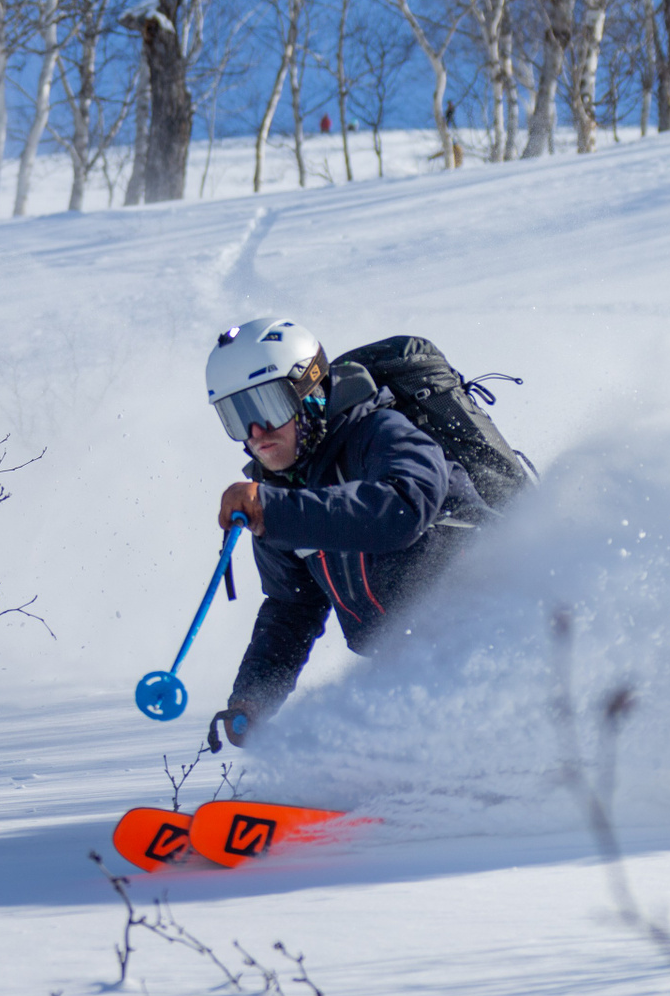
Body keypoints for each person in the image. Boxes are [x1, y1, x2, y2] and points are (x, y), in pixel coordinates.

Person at [203, 317, 486, 750]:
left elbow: (402, 509)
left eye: (267, 406)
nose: (256, 433)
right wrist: (254, 698)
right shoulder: (278, 495)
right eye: (238, 417)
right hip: (411, 668)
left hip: (490, 632)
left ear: (309, 393)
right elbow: (292, 608)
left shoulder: (381, 433)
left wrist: (273, 510)